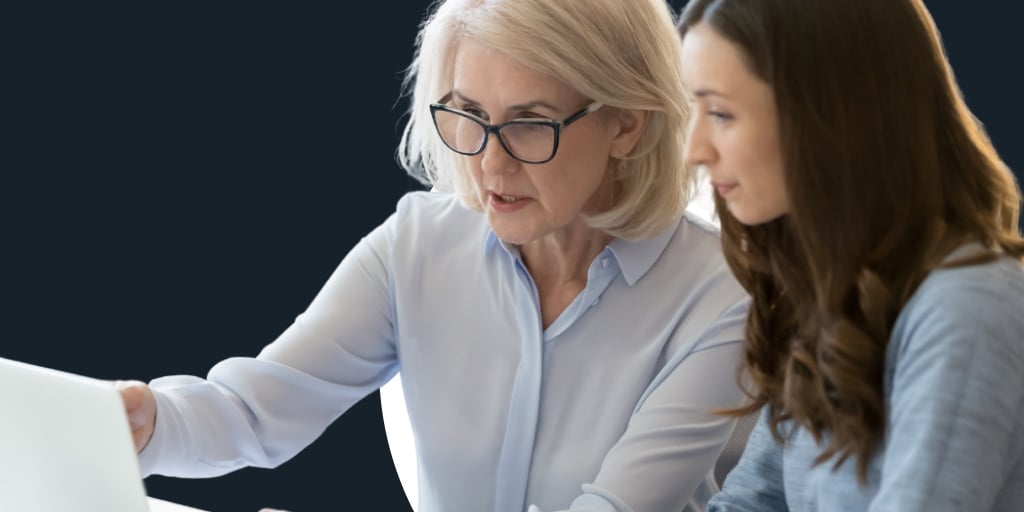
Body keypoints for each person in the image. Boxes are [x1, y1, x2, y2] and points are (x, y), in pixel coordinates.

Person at [116, 0, 751, 510]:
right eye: (469, 114)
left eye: (530, 122)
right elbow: (256, 412)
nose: (489, 163)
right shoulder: (418, 244)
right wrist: (151, 422)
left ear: (627, 123)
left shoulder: (720, 295)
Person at [675, 0, 1024, 510]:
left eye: (722, 113)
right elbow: (752, 502)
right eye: (695, 110)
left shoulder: (967, 306)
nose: (694, 149)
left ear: (831, 116)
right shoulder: (834, 292)